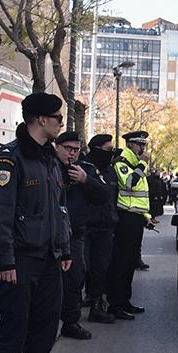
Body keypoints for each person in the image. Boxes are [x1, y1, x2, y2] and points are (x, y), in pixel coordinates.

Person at [0, 93, 74, 353]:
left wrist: (63, 249)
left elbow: (59, 210)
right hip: (19, 261)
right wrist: (5, 261)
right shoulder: (9, 160)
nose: (60, 124)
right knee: (14, 327)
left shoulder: (50, 160)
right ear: (40, 120)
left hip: (49, 259)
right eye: (57, 118)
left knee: (46, 325)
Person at [55, 132, 108, 339]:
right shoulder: (47, 166)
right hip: (48, 236)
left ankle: (70, 321)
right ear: (57, 147)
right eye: (68, 148)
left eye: (76, 150)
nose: (72, 153)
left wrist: (87, 181)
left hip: (74, 236)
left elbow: (103, 195)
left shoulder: (85, 169)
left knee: (75, 279)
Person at [106, 131, 154, 319]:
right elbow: (129, 185)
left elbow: (140, 197)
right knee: (121, 262)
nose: (143, 149)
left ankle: (125, 301)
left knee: (129, 263)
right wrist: (142, 164)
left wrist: (146, 216)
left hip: (135, 218)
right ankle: (115, 304)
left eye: (144, 145)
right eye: (139, 145)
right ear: (129, 145)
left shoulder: (134, 164)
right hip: (125, 218)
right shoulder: (122, 162)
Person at [83, 134, 118, 323]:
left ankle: (96, 304)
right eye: (107, 150)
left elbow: (113, 198)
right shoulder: (84, 167)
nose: (110, 154)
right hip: (86, 225)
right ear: (95, 149)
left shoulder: (110, 171)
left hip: (105, 226)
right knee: (82, 267)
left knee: (100, 268)